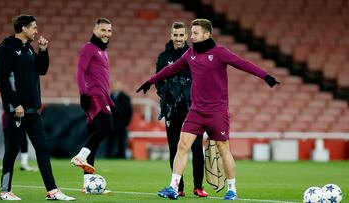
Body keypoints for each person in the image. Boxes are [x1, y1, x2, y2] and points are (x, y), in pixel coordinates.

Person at [136, 19, 279, 200]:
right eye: (192, 32)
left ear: (207, 34)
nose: (192, 36)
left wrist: (265, 76)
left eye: (195, 33)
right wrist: (150, 81)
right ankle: (173, 187)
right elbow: (170, 69)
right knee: (182, 145)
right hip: (195, 111)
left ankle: (232, 189)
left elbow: (242, 63)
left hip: (217, 112)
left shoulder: (219, 52)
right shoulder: (190, 54)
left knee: (222, 148)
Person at [0, 14, 75, 201]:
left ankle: (52, 191)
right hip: (17, 110)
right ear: (23, 28)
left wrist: (43, 50)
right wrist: (16, 104)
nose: (36, 30)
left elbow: (42, 70)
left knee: (43, 148)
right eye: (33, 27)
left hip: (33, 110)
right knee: (12, 150)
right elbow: (2, 80)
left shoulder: (29, 49)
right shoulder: (6, 48)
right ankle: (4, 191)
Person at [154, 22, 207, 197]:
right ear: (171, 35)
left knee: (197, 148)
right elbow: (158, 81)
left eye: (181, 35)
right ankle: (179, 186)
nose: (178, 38)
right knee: (175, 148)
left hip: (193, 110)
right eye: (175, 35)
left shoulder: (194, 55)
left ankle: (198, 186)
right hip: (172, 110)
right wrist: (166, 97)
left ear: (186, 36)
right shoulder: (163, 58)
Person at [71, 18, 115, 193]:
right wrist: (83, 93)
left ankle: (87, 185)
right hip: (94, 96)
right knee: (106, 129)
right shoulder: (89, 48)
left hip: (102, 96)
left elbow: (102, 79)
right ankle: (80, 156)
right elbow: (80, 71)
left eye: (109, 31)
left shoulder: (102, 52)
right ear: (95, 30)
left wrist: (111, 101)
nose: (106, 34)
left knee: (93, 140)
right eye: (103, 30)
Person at [0, 70, 37, 172]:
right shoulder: (6, 69)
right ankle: (7, 164)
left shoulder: (21, 71)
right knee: (9, 139)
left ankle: (24, 163)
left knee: (22, 136)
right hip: (9, 112)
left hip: (21, 109)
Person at [108, 81, 133, 159]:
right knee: (110, 143)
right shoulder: (109, 97)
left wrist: (125, 123)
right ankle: (108, 156)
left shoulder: (126, 98)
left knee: (121, 142)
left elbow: (129, 112)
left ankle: (122, 156)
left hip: (121, 125)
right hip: (111, 124)